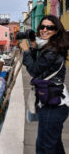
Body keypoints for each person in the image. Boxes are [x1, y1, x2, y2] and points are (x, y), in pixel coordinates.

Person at [20, 15, 69, 154]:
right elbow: (40, 67)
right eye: (42, 27)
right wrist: (34, 48)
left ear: (56, 31)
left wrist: (26, 51)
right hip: (52, 101)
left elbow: (34, 70)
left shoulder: (52, 50)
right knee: (54, 145)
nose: (45, 30)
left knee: (44, 147)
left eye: (50, 27)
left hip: (53, 106)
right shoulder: (51, 47)